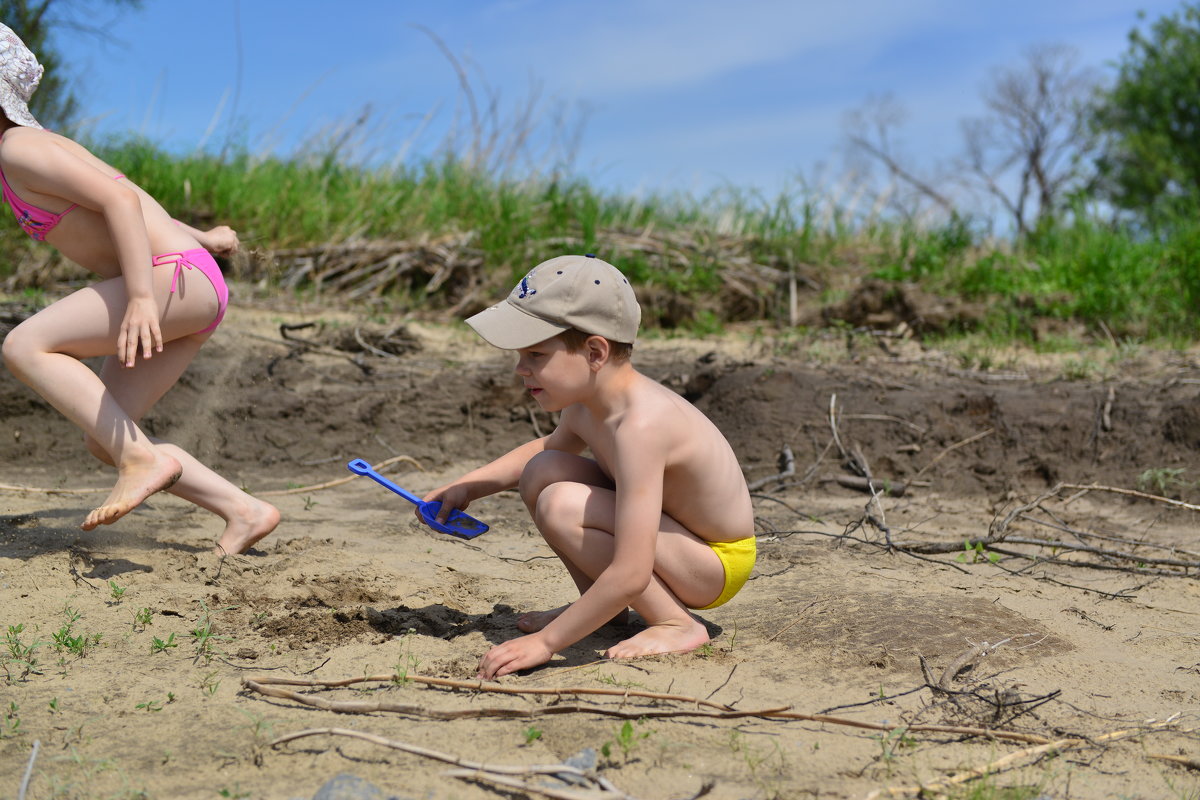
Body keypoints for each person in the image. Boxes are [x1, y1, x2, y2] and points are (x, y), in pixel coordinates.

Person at [0, 23, 278, 555]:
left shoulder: (19, 147)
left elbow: (120, 204)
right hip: (189, 278)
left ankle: (144, 463)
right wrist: (205, 237)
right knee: (107, 437)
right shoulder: (32, 147)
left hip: (169, 281)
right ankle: (244, 511)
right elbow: (134, 192)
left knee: (24, 344)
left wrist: (143, 298)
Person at [424, 254, 756, 680]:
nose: (520, 369)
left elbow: (633, 570)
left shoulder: (641, 425)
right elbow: (544, 452)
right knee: (543, 469)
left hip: (713, 562)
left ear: (595, 351)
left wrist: (545, 644)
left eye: (536, 354)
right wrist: (469, 486)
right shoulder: (588, 406)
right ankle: (604, 609)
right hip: (675, 534)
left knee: (562, 503)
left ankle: (676, 624)